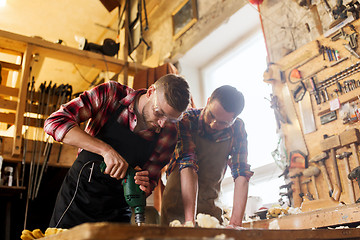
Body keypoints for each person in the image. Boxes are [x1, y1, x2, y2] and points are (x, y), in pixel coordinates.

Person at [44, 74, 190, 229]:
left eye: (171, 119)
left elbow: (151, 179)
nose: (162, 124)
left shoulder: (169, 133)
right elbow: (55, 122)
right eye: (159, 112)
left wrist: (144, 185)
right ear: (150, 92)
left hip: (118, 211)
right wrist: (105, 150)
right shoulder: (112, 95)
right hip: (78, 199)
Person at [161, 85, 253, 228]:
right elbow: (188, 165)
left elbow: (241, 173)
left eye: (223, 123)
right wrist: (189, 222)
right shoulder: (186, 119)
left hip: (211, 210)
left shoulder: (237, 128)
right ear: (208, 101)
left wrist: (235, 223)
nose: (213, 124)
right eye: (211, 115)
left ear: (234, 120)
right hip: (177, 208)